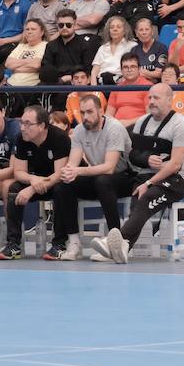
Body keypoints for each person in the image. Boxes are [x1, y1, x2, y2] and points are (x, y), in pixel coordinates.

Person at [89, 83, 184, 263]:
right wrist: (147, 160)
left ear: (170, 100)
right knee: (133, 194)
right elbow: (133, 155)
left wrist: (147, 183)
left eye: (156, 98)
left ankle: (113, 242)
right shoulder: (142, 122)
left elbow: (175, 165)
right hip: (147, 176)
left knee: (146, 196)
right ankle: (122, 249)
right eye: (150, 97)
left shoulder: (181, 125)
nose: (151, 101)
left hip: (176, 180)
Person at [50, 94, 134, 261]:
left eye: (90, 112)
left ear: (100, 111)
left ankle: (114, 243)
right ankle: (73, 242)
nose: (86, 117)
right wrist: (68, 172)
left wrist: (77, 171)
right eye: (82, 113)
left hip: (124, 177)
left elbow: (109, 168)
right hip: (97, 177)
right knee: (63, 185)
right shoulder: (80, 130)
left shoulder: (114, 128)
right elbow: (73, 163)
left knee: (103, 180)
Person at [0, 104, 71, 260]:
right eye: (22, 123)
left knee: (62, 189)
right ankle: (13, 245)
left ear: (41, 126)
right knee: (14, 188)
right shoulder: (22, 138)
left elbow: (59, 174)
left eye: (28, 124)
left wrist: (32, 189)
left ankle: (59, 244)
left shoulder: (60, 138)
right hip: (36, 179)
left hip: (57, 181)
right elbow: (18, 172)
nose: (22, 128)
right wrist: (33, 180)